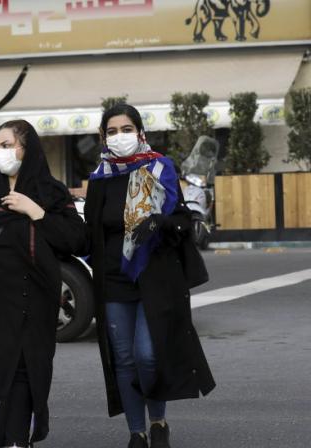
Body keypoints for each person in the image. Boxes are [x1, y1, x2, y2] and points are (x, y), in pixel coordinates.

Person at [81, 103, 216, 448]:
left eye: (126, 129)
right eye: (111, 131)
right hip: (113, 280)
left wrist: (160, 221)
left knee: (147, 355)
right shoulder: (100, 178)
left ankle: (159, 421)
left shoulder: (160, 168)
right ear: (103, 137)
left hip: (154, 278)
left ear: (140, 133)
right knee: (124, 359)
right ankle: (137, 433)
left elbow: (184, 222)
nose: (119, 137)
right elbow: (90, 232)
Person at [0, 120, 85, 447]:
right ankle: (11, 439)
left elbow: (77, 241)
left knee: (27, 369)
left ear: (27, 148)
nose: (1, 152)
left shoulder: (50, 192)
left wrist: (35, 211)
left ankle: (15, 442)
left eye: (8, 144)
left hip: (36, 296)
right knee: (5, 372)